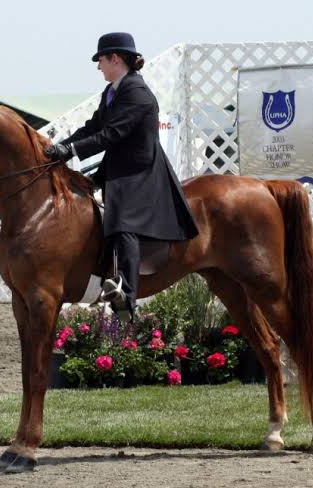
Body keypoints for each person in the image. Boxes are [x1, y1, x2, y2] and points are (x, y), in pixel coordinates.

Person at [45, 32, 199, 322]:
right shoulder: (112, 91)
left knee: (122, 221)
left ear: (115, 58)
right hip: (118, 168)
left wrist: (72, 150)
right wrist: (60, 147)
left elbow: (112, 134)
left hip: (140, 171)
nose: (99, 66)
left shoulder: (137, 93)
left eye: (101, 60)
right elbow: (93, 126)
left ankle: (126, 295)